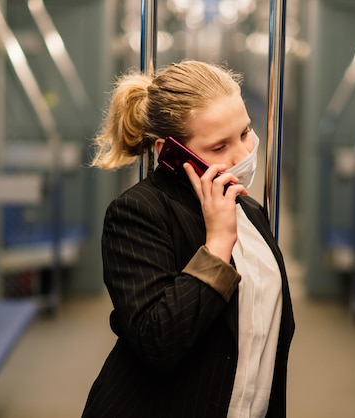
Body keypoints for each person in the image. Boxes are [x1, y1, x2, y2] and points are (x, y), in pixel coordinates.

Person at [82, 60, 295, 418]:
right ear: (172, 153)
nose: (243, 154)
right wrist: (216, 247)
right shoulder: (138, 213)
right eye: (218, 147)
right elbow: (157, 342)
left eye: (244, 133)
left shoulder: (252, 212)